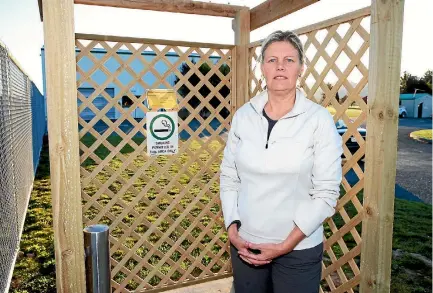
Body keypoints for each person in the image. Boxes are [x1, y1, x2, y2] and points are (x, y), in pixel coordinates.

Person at [219, 30, 343, 293]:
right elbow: (230, 176)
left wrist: (285, 245)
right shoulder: (244, 116)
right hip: (246, 245)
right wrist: (232, 230)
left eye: (289, 60)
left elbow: (327, 192)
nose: (280, 67)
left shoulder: (318, 119)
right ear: (262, 67)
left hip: (298, 250)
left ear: (301, 68)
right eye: (272, 59)